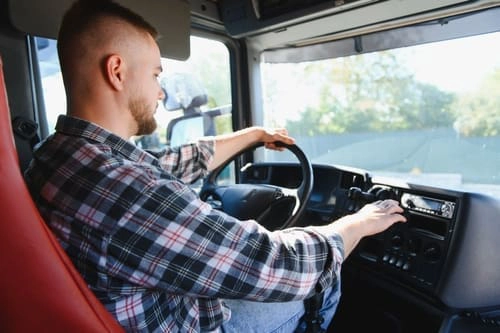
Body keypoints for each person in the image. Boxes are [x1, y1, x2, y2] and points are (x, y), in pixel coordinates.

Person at [24, 0, 407, 332]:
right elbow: (277, 265)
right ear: (117, 71)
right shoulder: (126, 191)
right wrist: (357, 224)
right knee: (323, 279)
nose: (160, 91)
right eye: (156, 74)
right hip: (192, 323)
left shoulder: (59, 156)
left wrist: (253, 135)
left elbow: (167, 166)